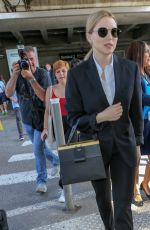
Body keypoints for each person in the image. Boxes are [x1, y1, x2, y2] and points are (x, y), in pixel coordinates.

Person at [65, 10, 143, 230]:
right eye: (103, 31)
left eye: (114, 31)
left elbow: (136, 112)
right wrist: (100, 117)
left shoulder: (129, 69)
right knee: (104, 204)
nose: (110, 37)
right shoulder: (77, 75)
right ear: (90, 36)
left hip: (124, 146)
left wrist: (137, 143)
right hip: (94, 148)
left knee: (123, 206)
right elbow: (73, 118)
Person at [5, 46, 59, 193]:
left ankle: (41, 181)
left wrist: (31, 78)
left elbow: (44, 97)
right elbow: (8, 93)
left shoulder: (42, 74)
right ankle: (56, 161)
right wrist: (15, 75)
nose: (29, 62)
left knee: (37, 150)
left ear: (35, 59)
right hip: (27, 120)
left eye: (31, 59)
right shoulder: (18, 75)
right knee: (41, 147)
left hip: (41, 120)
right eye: (25, 59)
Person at [41, 60, 76, 203]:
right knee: (64, 159)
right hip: (58, 125)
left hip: (73, 125)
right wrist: (45, 128)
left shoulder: (74, 87)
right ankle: (64, 190)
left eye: (63, 71)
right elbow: (47, 111)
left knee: (69, 159)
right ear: (54, 74)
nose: (61, 74)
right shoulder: (50, 89)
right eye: (57, 71)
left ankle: (66, 188)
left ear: (68, 71)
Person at [125, 41, 150, 205]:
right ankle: (134, 188)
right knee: (136, 157)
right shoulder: (133, 75)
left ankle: (145, 183)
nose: (149, 55)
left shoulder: (146, 73)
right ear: (139, 54)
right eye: (147, 52)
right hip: (136, 124)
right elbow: (140, 99)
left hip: (147, 121)